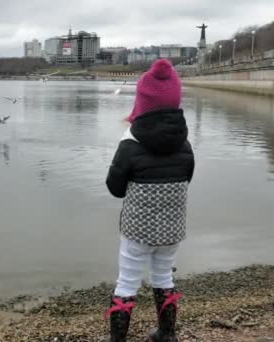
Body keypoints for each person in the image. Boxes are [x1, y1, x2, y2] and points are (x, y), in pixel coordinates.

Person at [105, 59, 195, 342]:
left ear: (142, 102)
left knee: (128, 281)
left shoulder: (130, 144)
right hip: (171, 230)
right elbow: (186, 178)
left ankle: (118, 339)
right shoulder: (185, 145)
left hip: (137, 231)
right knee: (164, 277)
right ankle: (166, 334)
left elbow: (115, 188)